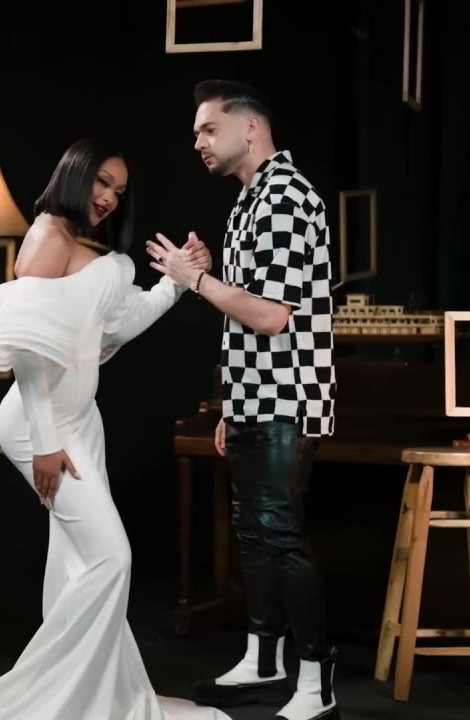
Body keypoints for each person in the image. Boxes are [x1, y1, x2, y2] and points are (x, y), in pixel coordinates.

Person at [0, 138, 227, 720]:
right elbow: (28, 354)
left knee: (77, 563)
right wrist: (46, 445)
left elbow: (119, 327)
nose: (109, 197)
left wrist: (180, 280)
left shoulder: (77, 245)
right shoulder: (48, 236)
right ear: (75, 174)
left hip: (80, 421)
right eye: (102, 181)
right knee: (111, 558)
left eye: (118, 190)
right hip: (39, 425)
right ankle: (45, 691)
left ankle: (87, 696)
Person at [146, 80, 339, 720]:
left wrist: (196, 278)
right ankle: (263, 659)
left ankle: (317, 683)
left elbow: (272, 317)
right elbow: (246, 308)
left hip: (288, 395)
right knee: (253, 532)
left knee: (280, 533)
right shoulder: (249, 201)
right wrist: (232, 402)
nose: (198, 142)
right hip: (255, 396)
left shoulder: (285, 196)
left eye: (208, 129)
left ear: (249, 127)